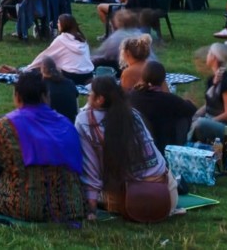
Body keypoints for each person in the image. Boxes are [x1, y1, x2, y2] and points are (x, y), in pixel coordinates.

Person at [0, 71, 85, 222]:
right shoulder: (66, 123)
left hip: (24, 206)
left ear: (17, 96)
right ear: (46, 96)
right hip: (68, 206)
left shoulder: (7, 125)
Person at [76, 76, 178, 222]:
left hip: (128, 200)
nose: (87, 97)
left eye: (90, 94)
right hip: (167, 197)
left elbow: (91, 169)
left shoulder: (85, 121)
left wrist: (91, 207)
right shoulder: (133, 115)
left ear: (99, 99)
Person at [0, 14, 94, 85]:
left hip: (72, 77)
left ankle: (20, 72)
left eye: (58, 22)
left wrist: (29, 68)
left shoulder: (62, 39)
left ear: (64, 25)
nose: (57, 24)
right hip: (88, 75)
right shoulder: (82, 39)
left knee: (42, 69)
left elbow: (45, 57)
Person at [129, 61, 197, 154]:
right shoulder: (168, 100)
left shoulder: (132, 95)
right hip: (162, 146)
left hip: (140, 143)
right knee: (183, 117)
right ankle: (178, 148)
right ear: (163, 80)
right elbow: (192, 110)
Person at [189, 43, 227, 143]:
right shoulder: (211, 80)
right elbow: (209, 104)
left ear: (213, 57)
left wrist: (209, 121)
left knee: (200, 123)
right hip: (213, 120)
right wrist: (194, 115)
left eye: (209, 53)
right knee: (188, 114)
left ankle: (186, 142)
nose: (207, 56)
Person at [38, 57, 79, 123]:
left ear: (42, 69)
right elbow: (76, 104)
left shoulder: (42, 86)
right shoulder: (70, 82)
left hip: (54, 124)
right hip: (72, 122)